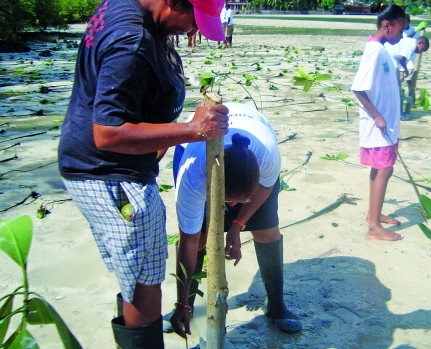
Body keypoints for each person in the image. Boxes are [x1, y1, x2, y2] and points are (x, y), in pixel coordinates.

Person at [56, 0, 228, 347]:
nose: (192, 30)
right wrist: (193, 130)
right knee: (143, 283)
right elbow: (108, 133)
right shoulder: (132, 40)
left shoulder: (127, 8)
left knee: (134, 273)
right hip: (110, 176)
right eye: (193, 20)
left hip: (106, 169)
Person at [170, 103, 303, 337]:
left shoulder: (267, 156)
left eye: (243, 200)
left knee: (267, 231)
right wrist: (181, 302)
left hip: (253, 142)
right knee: (198, 239)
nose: (231, 207)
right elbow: (188, 241)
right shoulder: (194, 176)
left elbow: (265, 186)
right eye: (228, 200)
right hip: (196, 146)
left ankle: (276, 305)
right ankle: (187, 305)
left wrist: (237, 225)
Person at [351, 3, 407, 242]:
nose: (402, 35)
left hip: (387, 126)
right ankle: (373, 226)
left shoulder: (382, 50)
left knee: (382, 168)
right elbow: (358, 88)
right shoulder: (374, 51)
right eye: (401, 30)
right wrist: (377, 115)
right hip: (379, 125)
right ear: (388, 25)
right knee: (384, 169)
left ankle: (373, 214)